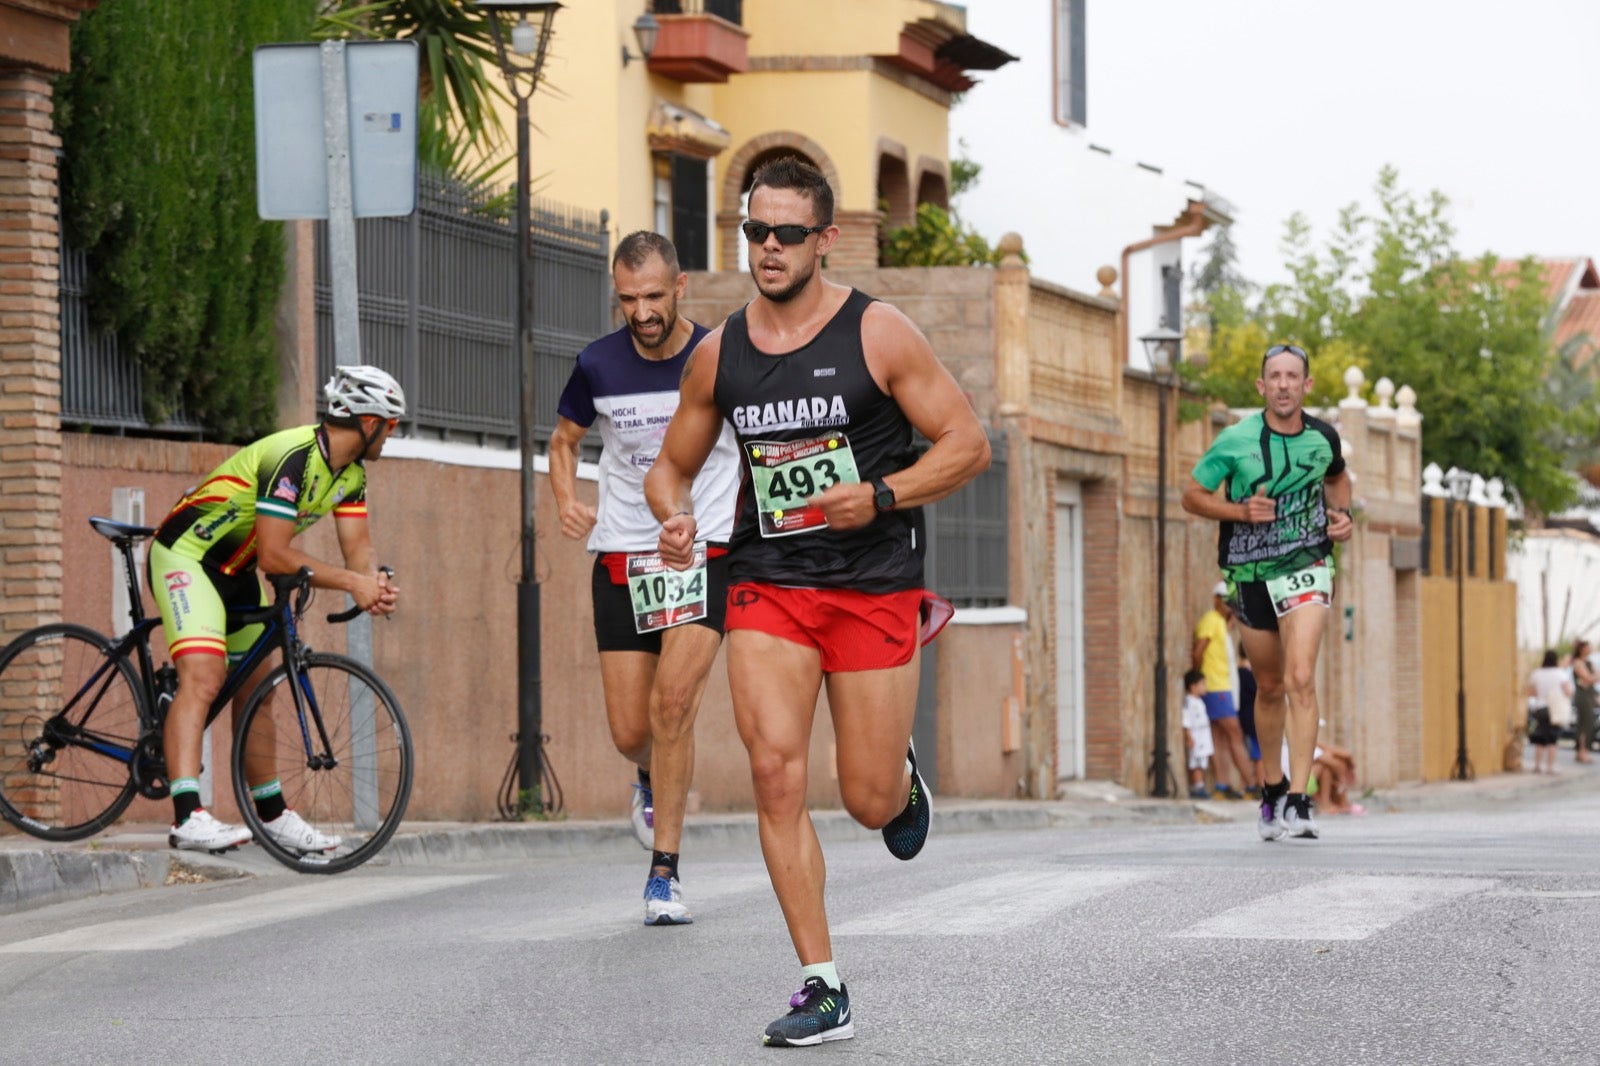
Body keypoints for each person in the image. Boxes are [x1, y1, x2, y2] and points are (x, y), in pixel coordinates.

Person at [644, 155, 990, 1046]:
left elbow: (967, 443)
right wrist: (675, 519)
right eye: (754, 231)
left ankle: (898, 777)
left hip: (873, 580)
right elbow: (669, 469)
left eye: (786, 234)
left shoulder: (880, 335)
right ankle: (821, 983)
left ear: (825, 240)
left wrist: (879, 496)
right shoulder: (719, 354)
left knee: (866, 800)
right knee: (773, 771)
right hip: (770, 580)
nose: (766, 248)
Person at [549, 231, 741, 926]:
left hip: (704, 549)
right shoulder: (596, 364)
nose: (642, 311)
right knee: (631, 730)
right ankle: (646, 774)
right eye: (628, 299)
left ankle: (665, 872)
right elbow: (565, 440)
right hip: (623, 554)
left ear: (681, 286)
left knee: (672, 707)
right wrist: (567, 500)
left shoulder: (719, 354)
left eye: (654, 296)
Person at [149, 365, 403, 853]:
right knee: (203, 677)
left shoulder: (350, 474)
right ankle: (187, 817)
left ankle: (273, 815)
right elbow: (275, 555)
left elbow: (358, 548)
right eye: (391, 427)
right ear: (370, 423)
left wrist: (373, 580)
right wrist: (352, 582)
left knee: (258, 690)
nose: (392, 436)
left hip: (237, 571)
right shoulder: (293, 457)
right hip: (189, 555)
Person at [1180, 342, 1354, 842]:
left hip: (1308, 564)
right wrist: (1240, 513)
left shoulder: (1323, 438)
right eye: (1274, 376)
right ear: (1261, 387)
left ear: (1306, 386)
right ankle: (1272, 787)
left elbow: (1338, 481)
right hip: (1248, 573)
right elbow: (1191, 496)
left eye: (1291, 376)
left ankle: (1300, 800)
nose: (1282, 384)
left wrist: (1343, 518)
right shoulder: (1234, 441)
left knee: (1301, 676)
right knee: (1271, 685)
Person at [1192, 581, 1250, 799]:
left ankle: (1222, 784)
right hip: (1216, 687)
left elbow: (1228, 627)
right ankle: (1251, 783)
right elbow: (1199, 651)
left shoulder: (1220, 623)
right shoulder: (1210, 620)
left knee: (1220, 737)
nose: (1229, 605)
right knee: (1235, 733)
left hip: (1221, 686)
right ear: (1216, 599)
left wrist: (1234, 614)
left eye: (1232, 602)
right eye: (1226, 601)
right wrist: (1197, 676)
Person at [1181, 669, 1214, 800]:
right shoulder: (1189, 702)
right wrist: (1189, 737)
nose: (1205, 687)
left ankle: (1200, 785)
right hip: (1196, 738)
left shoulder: (1200, 701)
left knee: (1202, 762)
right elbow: (1186, 721)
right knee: (1196, 762)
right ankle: (1197, 786)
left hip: (1204, 737)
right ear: (1193, 686)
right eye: (1202, 684)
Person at [1236, 642, 1264, 796]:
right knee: (1258, 753)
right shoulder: (1246, 673)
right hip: (1251, 718)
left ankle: (1255, 784)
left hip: (1249, 716)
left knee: (1256, 752)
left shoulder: (1242, 672)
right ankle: (1259, 785)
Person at [1571, 640, 1597, 765]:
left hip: (1590, 694)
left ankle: (1582, 751)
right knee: (1585, 723)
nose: (1589, 649)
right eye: (1587, 647)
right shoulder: (1578, 662)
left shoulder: (1589, 662)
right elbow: (1587, 679)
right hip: (1582, 696)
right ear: (1582, 649)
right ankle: (1582, 751)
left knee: (1587, 722)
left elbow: (1592, 680)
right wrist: (1593, 677)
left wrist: (1592, 678)